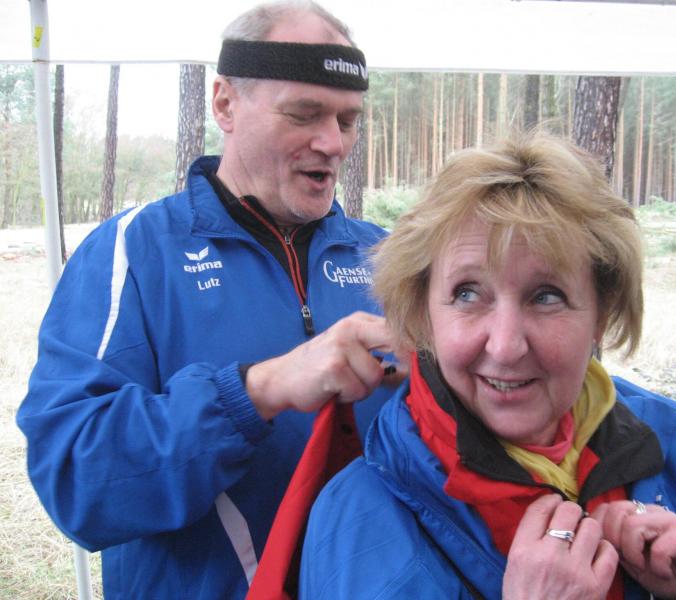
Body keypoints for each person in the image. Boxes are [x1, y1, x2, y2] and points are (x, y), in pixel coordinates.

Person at [299, 132, 676, 599]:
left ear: (601, 314)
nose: (506, 346)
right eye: (468, 293)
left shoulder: (663, 433)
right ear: (423, 313)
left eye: (547, 296)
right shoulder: (359, 519)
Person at [17, 2, 401, 598]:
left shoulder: (389, 259)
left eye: (348, 120)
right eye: (304, 113)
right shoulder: (135, 251)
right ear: (225, 104)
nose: (333, 143)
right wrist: (255, 393)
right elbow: (75, 482)